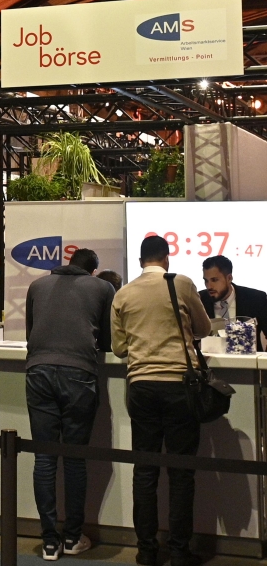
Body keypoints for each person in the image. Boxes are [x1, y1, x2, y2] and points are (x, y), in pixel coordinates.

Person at [111, 235, 211, 566]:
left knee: (145, 469)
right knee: (181, 472)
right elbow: (203, 328)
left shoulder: (123, 294)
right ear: (166, 258)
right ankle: (179, 551)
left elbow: (119, 348)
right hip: (180, 385)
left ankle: (147, 550)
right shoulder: (181, 284)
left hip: (141, 386)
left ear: (140, 261)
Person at [24, 248, 115, 560]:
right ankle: (73, 537)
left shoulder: (37, 285)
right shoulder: (103, 288)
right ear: (92, 271)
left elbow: (31, 334)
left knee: (44, 458)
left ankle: (50, 542)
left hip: (38, 371)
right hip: (79, 373)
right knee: (75, 459)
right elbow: (107, 342)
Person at [200, 255, 267, 352]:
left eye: (214, 280)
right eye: (206, 281)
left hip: (249, 359)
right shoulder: (200, 300)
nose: (209, 286)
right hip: (210, 360)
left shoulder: (255, 298)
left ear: (229, 278)